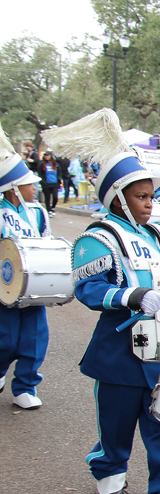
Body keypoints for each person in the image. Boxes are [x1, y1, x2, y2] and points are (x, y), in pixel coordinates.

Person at [44, 108, 160, 494]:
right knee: (117, 421)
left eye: (152, 196)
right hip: (119, 350)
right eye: (141, 197)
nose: (150, 205)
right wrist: (133, 297)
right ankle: (109, 466)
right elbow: (89, 290)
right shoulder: (97, 237)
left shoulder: (157, 235)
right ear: (117, 197)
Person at [0, 121, 49, 410]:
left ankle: (25, 385)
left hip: (33, 288)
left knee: (34, 338)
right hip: (5, 288)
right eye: (30, 184)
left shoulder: (39, 213)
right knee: (5, 339)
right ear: (14, 189)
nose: (34, 188)